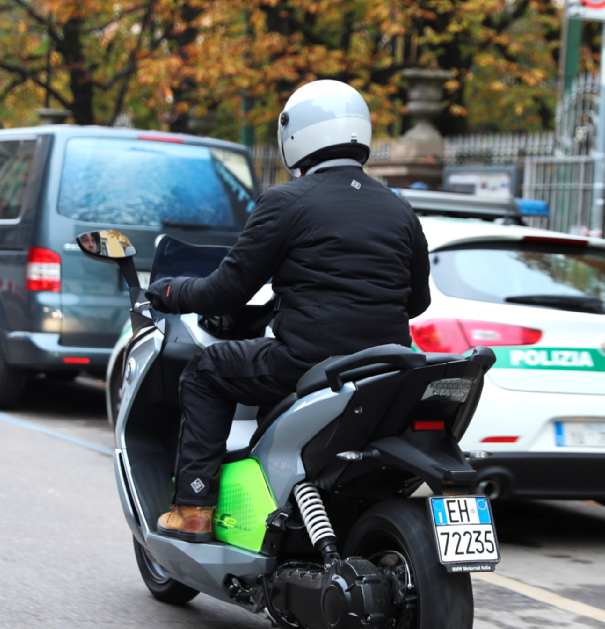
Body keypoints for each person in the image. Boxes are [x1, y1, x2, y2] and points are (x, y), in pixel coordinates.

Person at [144, 80, 431, 542]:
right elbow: (418, 302)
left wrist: (171, 291)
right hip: (386, 366)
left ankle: (193, 507)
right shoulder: (400, 210)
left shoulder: (285, 201)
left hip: (308, 362)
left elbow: (226, 292)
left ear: (293, 135)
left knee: (204, 370)